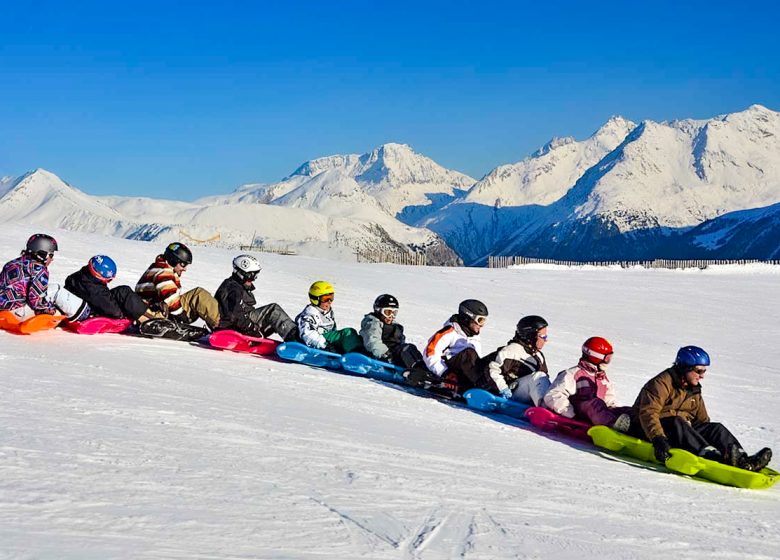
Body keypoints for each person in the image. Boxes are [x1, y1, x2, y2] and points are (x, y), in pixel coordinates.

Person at [634, 345, 772, 472]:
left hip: (680, 430)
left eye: (704, 371)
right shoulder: (661, 383)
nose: (702, 376)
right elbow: (648, 413)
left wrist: (711, 436)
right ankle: (711, 456)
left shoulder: (693, 389)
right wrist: (658, 438)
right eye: (699, 371)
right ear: (685, 368)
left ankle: (743, 460)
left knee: (715, 428)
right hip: (651, 430)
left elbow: (702, 421)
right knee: (677, 421)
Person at [544, 336, 633, 431]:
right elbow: (553, 395)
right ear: (595, 357)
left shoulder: (601, 377)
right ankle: (613, 426)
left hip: (600, 413)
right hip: (580, 412)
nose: (608, 362)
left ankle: (637, 428)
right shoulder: (573, 374)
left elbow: (610, 401)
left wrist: (618, 412)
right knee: (595, 403)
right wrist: (571, 414)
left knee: (628, 411)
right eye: (607, 358)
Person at [135, 242, 219, 339]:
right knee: (198, 295)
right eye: (183, 264)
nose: (185, 269)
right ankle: (223, 326)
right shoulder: (163, 271)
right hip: (156, 312)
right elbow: (169, 296)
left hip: (162, 309)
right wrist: (180, 315)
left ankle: (219, 323)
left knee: (197, 296)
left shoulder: (161, 267)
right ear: (173, 260)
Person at [51, 255, 163, 324]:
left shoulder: (78, 277)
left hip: (90, 305)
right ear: (100, 276)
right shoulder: (95, 290)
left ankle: (150, 313)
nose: (108, 283)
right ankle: (152, 320)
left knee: (123, 293)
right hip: (93, 311)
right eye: (108, 280)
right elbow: (114, 312)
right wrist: (123, 315)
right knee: (124, 293)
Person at [214, 254, 298, 341]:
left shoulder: (237, 285)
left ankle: (297, 335)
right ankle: (296, 340)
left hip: (243, 323)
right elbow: (234, 315)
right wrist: (252, 328)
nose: (254, 279)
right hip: (237, 326)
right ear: (242, 274)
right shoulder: (233, 288)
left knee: (275, 318)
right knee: (273, 310)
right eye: (252, 276)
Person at [481, 315, 551, 404]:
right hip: (510, 394)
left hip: (527, 394)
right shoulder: (512, 351)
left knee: (542, 377)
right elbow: (492, 370)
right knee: (538, 377)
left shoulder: (538, 356)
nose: (546, 340)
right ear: (530, 335)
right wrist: (503, 389)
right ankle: (544, 407)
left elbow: (543, 381)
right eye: (543, 336)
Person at [422, 299, 489, 393]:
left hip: (465, 372)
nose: (481, 325)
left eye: (484, 321)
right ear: (467, 317)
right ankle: (482, 386)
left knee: (492, 359)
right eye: (480, 320)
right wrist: (445, 373)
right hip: (449, 370)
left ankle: (492, 384)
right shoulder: (449, 332)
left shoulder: (474, 336)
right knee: (469, 353)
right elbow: (430, 352)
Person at [0, 234, 59, 319]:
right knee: (57, 290)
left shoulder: (12, 263)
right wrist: (50, 308)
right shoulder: (39, 269)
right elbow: (36, 299)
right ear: (42, 254)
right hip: (15, 312)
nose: (52, 259)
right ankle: (81, 315)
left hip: (2, 305)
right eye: (51, 255)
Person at [360, 294, 425, 369]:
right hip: (384, 356)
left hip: (393, 353)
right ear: (378, 310)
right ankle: (417, 371)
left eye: (394, 313)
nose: (391, 316)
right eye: (388, 312)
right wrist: (386, 355)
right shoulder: (374, 323)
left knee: (409, 348)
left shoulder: (395, 326)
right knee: (405, 349)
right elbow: (372, 341)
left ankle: (422, 367)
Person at [295, 281, 363, 353]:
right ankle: (357, 354)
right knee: (348, 332)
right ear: (315, 299)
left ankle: (363, 351)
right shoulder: (309, 314)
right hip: (320, 342)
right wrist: (324, 345)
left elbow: (332, 329)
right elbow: (308, 333)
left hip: (328, 340)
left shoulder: (326, 311)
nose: (329, 301)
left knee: (354, 337)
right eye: (325, 299)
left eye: (331, 298)